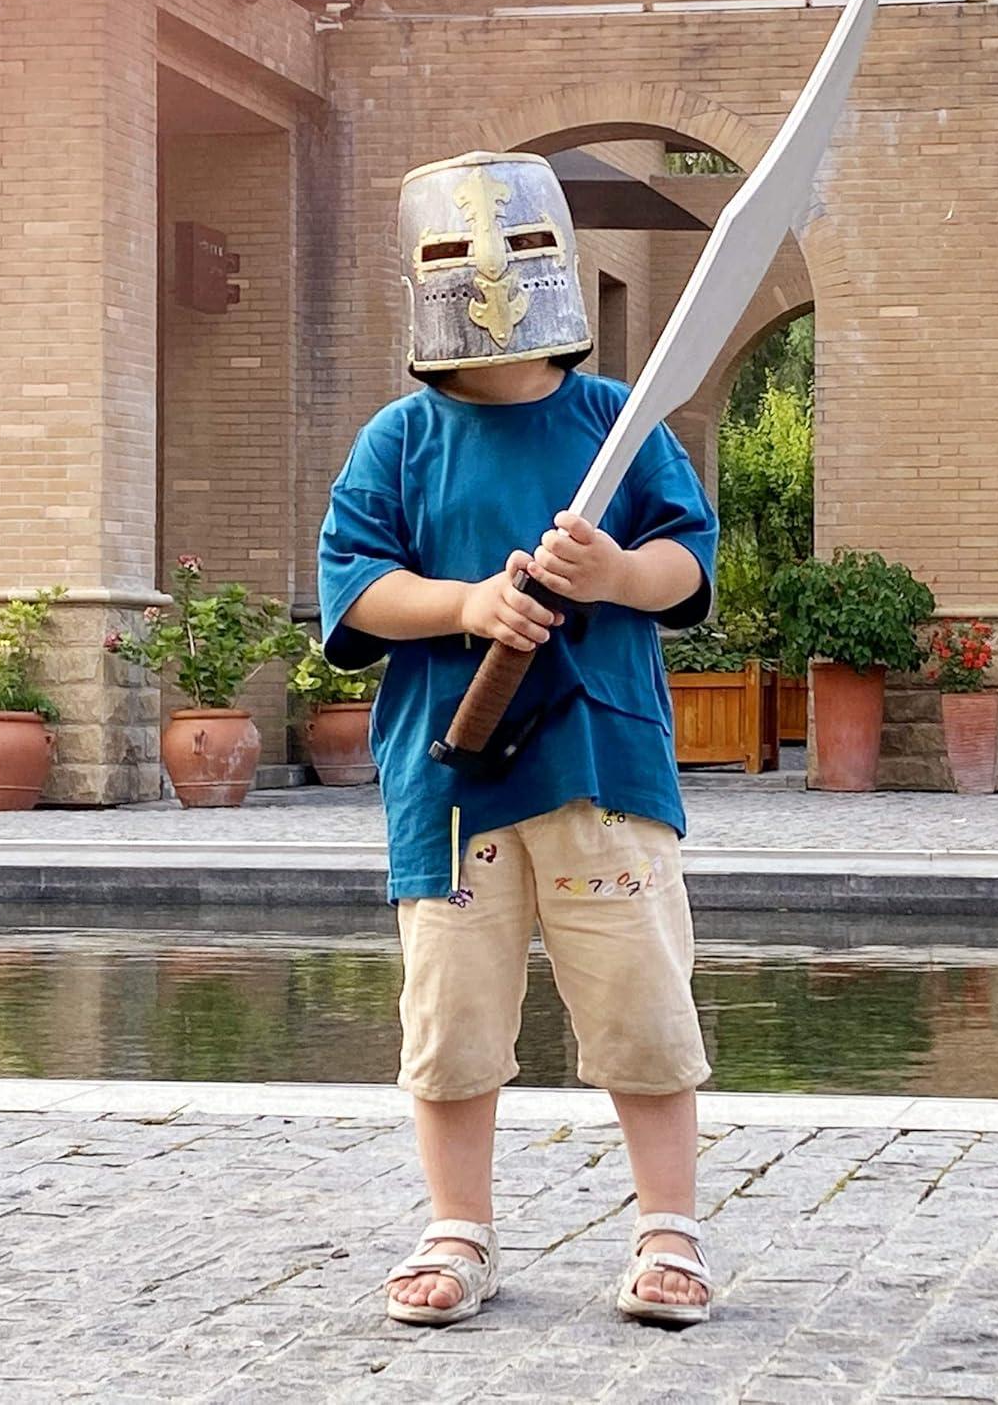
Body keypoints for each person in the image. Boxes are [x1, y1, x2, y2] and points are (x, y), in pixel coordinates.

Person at [317, 150, 718, 1329]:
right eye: (457, 252)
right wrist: (466, 605)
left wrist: (614, 570)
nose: (490, 273)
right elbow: (353, 587)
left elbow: (686, 565)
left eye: (518, 249)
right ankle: (458, 1228)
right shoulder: (400, 439)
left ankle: (668, 1231)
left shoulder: (620, 423)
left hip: (602, 765)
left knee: (641, 1004)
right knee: (452, 1022)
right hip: (449, 781)